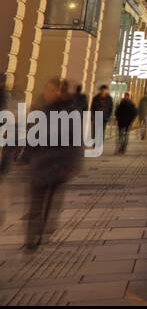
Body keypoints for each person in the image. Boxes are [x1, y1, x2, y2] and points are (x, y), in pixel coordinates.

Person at [25, 79, 83, 250]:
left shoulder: (71, 112)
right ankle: (31, 236)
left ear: (60, 92)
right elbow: (31, 134)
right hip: (40, 163)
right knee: (36, 201)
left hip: (58, 164)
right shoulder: (40, 109)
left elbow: (75, 141)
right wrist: (26, 154)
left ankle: (42, 229)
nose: (47, 93)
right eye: (46, 89)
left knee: (50, 200)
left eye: (51, 90)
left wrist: (73, 163)